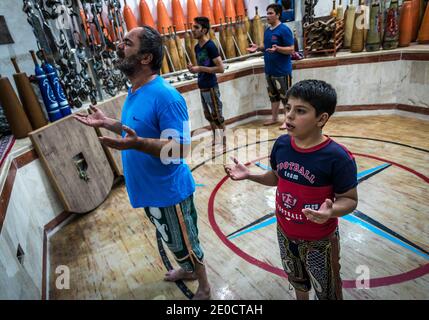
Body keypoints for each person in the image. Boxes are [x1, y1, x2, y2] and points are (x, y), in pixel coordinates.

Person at [73, 26, 211, 300]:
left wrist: (137, 144)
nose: (119, 46)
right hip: (148, 190)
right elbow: (136, 129)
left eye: (127, 42)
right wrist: (109, 123)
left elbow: (179, 149)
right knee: (171, 238)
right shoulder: (135, 90)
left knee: (187, 240)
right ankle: (188, 270)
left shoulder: (167, 97)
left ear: (146, 57)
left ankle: (205, 286)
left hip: (169, 191)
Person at [224, 80, 358, 300]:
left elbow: (349, 199)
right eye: (288, 108)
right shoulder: (282, 145)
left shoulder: (338, 157)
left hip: (320, 240)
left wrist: (330, 212)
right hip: (285, 233)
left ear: (321, 119)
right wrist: (250, 175)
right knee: (297, 279)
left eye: (300, 111)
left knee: (328, 289)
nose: (289, 116)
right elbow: (276, 177)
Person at [247, 3, 294, 129]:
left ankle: (287, 120)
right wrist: (258, 48)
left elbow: (291, 49)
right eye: (267, 13)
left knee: (286, 97)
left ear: (278, 15)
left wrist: (278, 48)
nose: (267, 16)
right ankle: (274, 118)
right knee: (273, 96)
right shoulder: (267, 30)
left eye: (270, 13)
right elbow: (266, 47)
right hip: (269, 70)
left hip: (282, 71)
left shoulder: (284, 30)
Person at [188, 16, 225, 146]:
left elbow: (221, 68)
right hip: (202, 86)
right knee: (209, 116)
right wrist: (194, 69)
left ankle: (223, 142)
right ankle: (216, 139)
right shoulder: (197, 47)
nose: (193, 30)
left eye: (196, 27)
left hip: (211, 87)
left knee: (217, 116)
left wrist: (200, 68)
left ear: (204, 30)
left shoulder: (211, 46)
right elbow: (203, 67)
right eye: (193, 27)